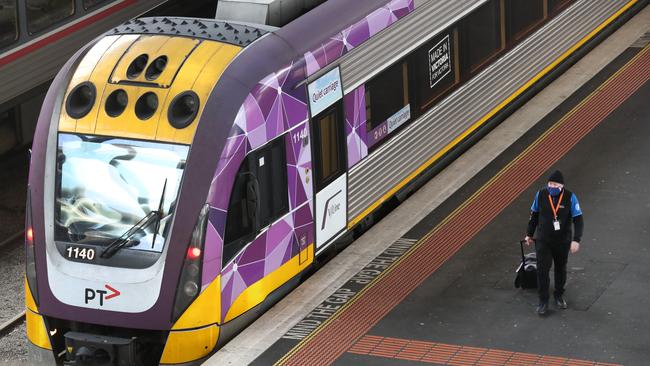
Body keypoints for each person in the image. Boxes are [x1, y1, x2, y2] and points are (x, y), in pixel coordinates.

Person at [524, 170, 583, 315]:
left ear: (561, 186)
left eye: (554, 184)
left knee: (560, 268)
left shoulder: (570, 197)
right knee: (543, 270)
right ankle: (543, 300)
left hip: (562, 241)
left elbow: (578, 219)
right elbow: (534, 215)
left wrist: (576, 240)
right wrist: (529, 234)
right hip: (544, 239)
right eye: (550, 184)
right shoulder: (541, 194)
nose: (551, 186)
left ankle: (558, 295)